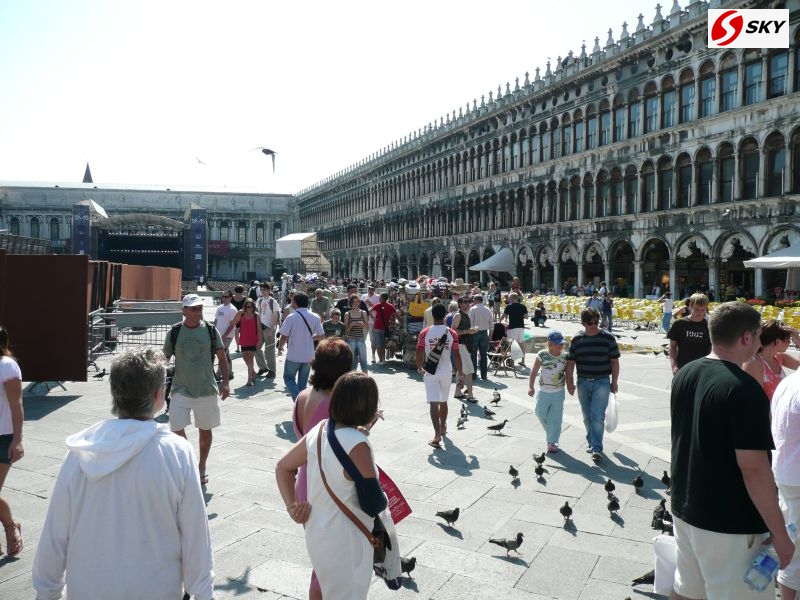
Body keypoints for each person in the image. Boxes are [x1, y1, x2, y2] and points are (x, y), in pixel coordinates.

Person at [32, 348, 213, 600]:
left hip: (87, 590)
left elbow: (55, 532)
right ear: (158, 394)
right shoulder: (177, 452)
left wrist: (47, 591)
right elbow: (195, 535)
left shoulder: (80, 452)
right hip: (155, 590)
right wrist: (202, 592)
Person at [670, 302, 793, 600]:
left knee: (687, 592)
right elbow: (754, 468)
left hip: (686, 509)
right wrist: (779, 533)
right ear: (747, 338)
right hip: (729, 523)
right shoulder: (743, 389)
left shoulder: (686, 373)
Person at [275, 372, 384, 600]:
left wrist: (291, 506)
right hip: (347, 542)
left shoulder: (320, 429)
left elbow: (283, 467)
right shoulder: (358, 444)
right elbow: (374, 503)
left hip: (319, 535)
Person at [291, 338, 356, 600]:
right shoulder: (335, 405)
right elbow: (343, 450)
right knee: (327, 568)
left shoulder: (302, 396)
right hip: (325, 488)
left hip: (305, 484)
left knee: (321, 563)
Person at [163, 293, 229, 486]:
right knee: (176, 428)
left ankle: (201, 465)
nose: (197, 311)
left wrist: (225, 382)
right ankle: (189, 459)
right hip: (180, 388)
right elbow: (164, 358)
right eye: (193, 308)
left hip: (206, 388)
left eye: (199, 308)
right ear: (184, 310)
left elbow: (222, 357)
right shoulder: (175, 331)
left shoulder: (210, 330)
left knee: (205, 429)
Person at [565, 307, 620, 461]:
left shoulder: (608, 338)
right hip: (583, 381)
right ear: (583, 323)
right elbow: (570, 363)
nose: (594, 325)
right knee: (587, 416)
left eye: (596, 321)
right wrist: (569, 382)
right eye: (590, 322)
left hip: (602, 381)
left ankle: (597, 447)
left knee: (597, 416)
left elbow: (614, 361)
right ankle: (591, 441)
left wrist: (614, 382)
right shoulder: (577, 339)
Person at [771, 372, 800, 600]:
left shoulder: (787, 382)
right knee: (795, 555)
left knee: (792, 544)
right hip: (797, 479)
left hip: (785, 473)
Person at [416, 303, 461, 448]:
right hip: (447, 371)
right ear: (445, 315)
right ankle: (442, 428)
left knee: (433, 403)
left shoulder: (424, 332)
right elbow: (457, 354)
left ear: (432, 315)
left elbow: (419, 352)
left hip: (431, 371)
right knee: (444, 401)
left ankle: (436, 434)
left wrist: (419, 367)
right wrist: (459, 373)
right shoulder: (452, 333)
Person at [0, 326, 23, 557]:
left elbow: (16, 405)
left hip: (3, 437)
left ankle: (10, 527)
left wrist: (17, 440)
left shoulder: (6, 365)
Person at [278, 291, 324, 400]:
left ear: (295, 303)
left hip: (294, 354)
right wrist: (310, 337)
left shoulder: (291, 317)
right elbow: (321, 335)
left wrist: (280, 347)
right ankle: (302, 405)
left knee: (288, 378)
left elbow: (284, 336)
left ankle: (298, 400)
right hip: (308, 354)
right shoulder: (315, 317)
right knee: (302, 384)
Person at [529, 330, 567, 454]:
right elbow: (534, 371)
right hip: (544, 391)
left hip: (559, 392)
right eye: (557, 344)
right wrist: (531, 387)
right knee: (540, 412)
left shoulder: (565, 356)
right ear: (550, 344)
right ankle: (551, 433)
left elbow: (569, 372)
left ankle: (552, 441)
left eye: (562, 344)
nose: (560, 346)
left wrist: (571, 384)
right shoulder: (542, 354)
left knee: (556, 418)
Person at [743, 320, 800, 400]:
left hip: (778, 410)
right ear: (777, 341)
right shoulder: (754, 363)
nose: (790, 342)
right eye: (788, 339)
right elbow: (754, 399)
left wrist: (798, 342)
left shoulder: (778, 357)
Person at [667, 293, 711, 375]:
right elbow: (672, 347)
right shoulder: (679, 324)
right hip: (682, 368)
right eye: (696, 309)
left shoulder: (710, 326)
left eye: (703, 310)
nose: (700, 313)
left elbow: (712, 349)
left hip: (703, 369)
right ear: (690, 306)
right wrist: (673, 366)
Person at [452, 297, 478, 403]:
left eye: (468, 302)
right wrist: (468, 331)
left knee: (461, 370)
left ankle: (458, 392)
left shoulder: (465, 314)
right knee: (470, 371)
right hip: (461, 345)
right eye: (465, 302)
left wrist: (470, 331)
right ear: (460, 304)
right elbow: (453, 331)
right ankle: (470, 395)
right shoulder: (458, 315)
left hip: (465, 345)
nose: (467, 304)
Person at [233, 298, 263, 386]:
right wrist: (239, 312)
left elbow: (259, 329)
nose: (249, 308)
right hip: (244, 339)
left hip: (253, 340)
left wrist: (260, 341)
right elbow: (233, 323)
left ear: (253, 307)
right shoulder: (241, 314)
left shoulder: (256, 316)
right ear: (244, 307)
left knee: (250, 359)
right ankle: (253, 372)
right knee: (245, 358)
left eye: (251, 307)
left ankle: (249, 379)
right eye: (247, 306)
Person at [254, 282, 280, 379]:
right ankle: (263, 367)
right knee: (256, 348)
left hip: (269, 328)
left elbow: (275, 316)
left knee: (269, 351)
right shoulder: (259, 301)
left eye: (265, 289)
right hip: (260, 328)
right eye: (261, 290)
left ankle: (272, 370)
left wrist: (272, 329)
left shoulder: (273, 302)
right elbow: (258, 314)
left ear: (269, 291)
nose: (263, 291)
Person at [213, 290, 238, 381]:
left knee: (221, 354)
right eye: (223, 297)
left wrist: (224, 336)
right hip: (218, 334)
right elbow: (216, 321)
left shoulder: (232, 309)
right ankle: (230, 373)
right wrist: (213, 332)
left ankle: (218, 374)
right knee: (226, 354)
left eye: (226, 297)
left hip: (227, 336)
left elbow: (232, 325)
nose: (224, 298)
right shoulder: (219, 308)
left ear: (230, 298)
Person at [468, 294, 494, 381]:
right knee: (483, 355)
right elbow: (491, 325)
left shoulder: (473, 309)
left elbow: (470, 323)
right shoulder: (488, 309)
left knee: (473, 355)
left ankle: (474, 374)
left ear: (475, 300)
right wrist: (490, 336)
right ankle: (484, 375)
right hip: (484, 333)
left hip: (475, 332)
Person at [344, 294, 369, 373]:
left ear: (359, 302)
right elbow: (346, 330)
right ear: (350, 303)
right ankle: (352, 380)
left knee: (363, 361)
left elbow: (367, 327)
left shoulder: (363, 313)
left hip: (361, 339)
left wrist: (362, 324)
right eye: (353, 302)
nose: (355, 303)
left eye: (357, 302)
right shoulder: (347, 314)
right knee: (352, 362)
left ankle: (366, 379)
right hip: (351, 340)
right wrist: (351, 324)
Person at [501, 292, 528, 366]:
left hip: (512, 327)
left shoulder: (509, 306)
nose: (508, 299)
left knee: (512, 345)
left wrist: (499, 322)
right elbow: (526, 316)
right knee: (522, 344)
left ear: (512, 298)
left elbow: (503, 316)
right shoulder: (523, 306)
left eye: (509, 298)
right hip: (521, 327)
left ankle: (512, 362)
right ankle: (523, 361)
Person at [370, 292, 397, 365]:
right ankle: (383, 360)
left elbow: (370, 310)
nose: (379, 298)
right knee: (383, 345)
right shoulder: (390, 306)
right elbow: (395, 315)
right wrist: (400, 322)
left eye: (380, 297)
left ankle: (381, 360)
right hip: (386, 328)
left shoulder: (377, 305)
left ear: (382, 298)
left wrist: (373, 318)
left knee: (379, 345)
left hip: (377, 327)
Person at [231, 284, 247, 351]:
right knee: (243, 332)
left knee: (236, 332)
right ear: (242, 291)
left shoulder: (232, 297)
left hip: (234, 316)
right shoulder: (245, 298)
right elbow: (245, 308)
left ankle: (238, 348)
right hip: (242, 316)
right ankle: (243, 346)